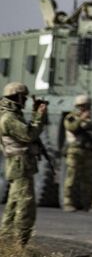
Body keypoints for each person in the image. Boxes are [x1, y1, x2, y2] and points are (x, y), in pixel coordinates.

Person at [0, 82, 47, 246]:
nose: (25, 100)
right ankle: (20, 244)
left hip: (19, 164)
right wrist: (39, 116)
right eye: (24, 97)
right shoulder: (9, 118)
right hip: (20, 164)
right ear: (17, 97)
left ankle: (6, 242)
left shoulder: (11, 114)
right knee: (25, 204)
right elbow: (29, 135)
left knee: (13, 205)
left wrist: (36, 114)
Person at [63, 94, 92, 212]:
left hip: (88, 151)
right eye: (82, 106)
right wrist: (81, 119)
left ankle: (87, 204)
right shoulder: (71, 117)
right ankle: (68, 202)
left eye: (86, 106)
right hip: (74, 151)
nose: (84, 108)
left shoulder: (90, 119)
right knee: (71, 178)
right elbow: (72, 127)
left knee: (88, 179)